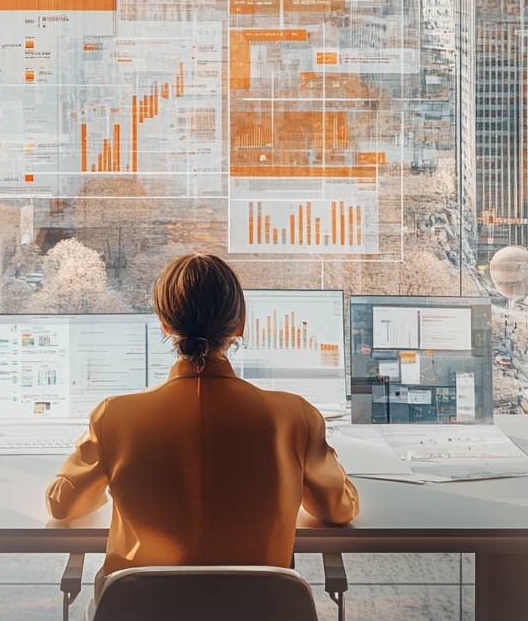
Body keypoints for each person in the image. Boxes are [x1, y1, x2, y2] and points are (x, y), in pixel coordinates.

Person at [46, 252, 359, 597]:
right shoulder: (294, 415)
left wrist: (109, 486)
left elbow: (62, 506)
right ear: (239, 325)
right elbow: (337, 510)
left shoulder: (114, 416)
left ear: (165, 325)